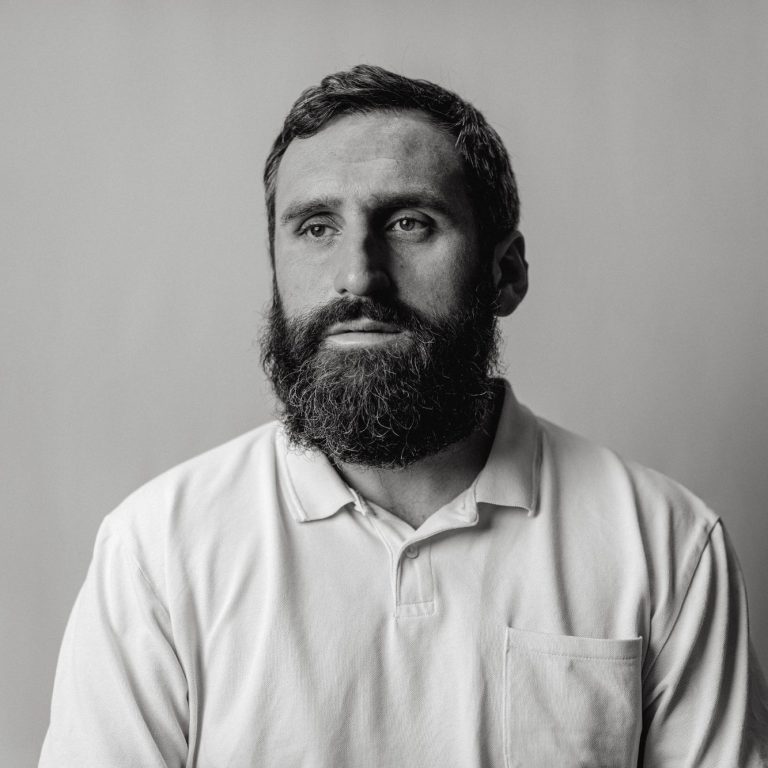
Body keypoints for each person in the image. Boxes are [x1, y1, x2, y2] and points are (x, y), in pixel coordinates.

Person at [40, 64, 768, 767]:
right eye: (316, 227)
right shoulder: (158, 554)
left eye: (410, 222)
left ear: (505, 271)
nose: (359, 275)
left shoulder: (667, 547)